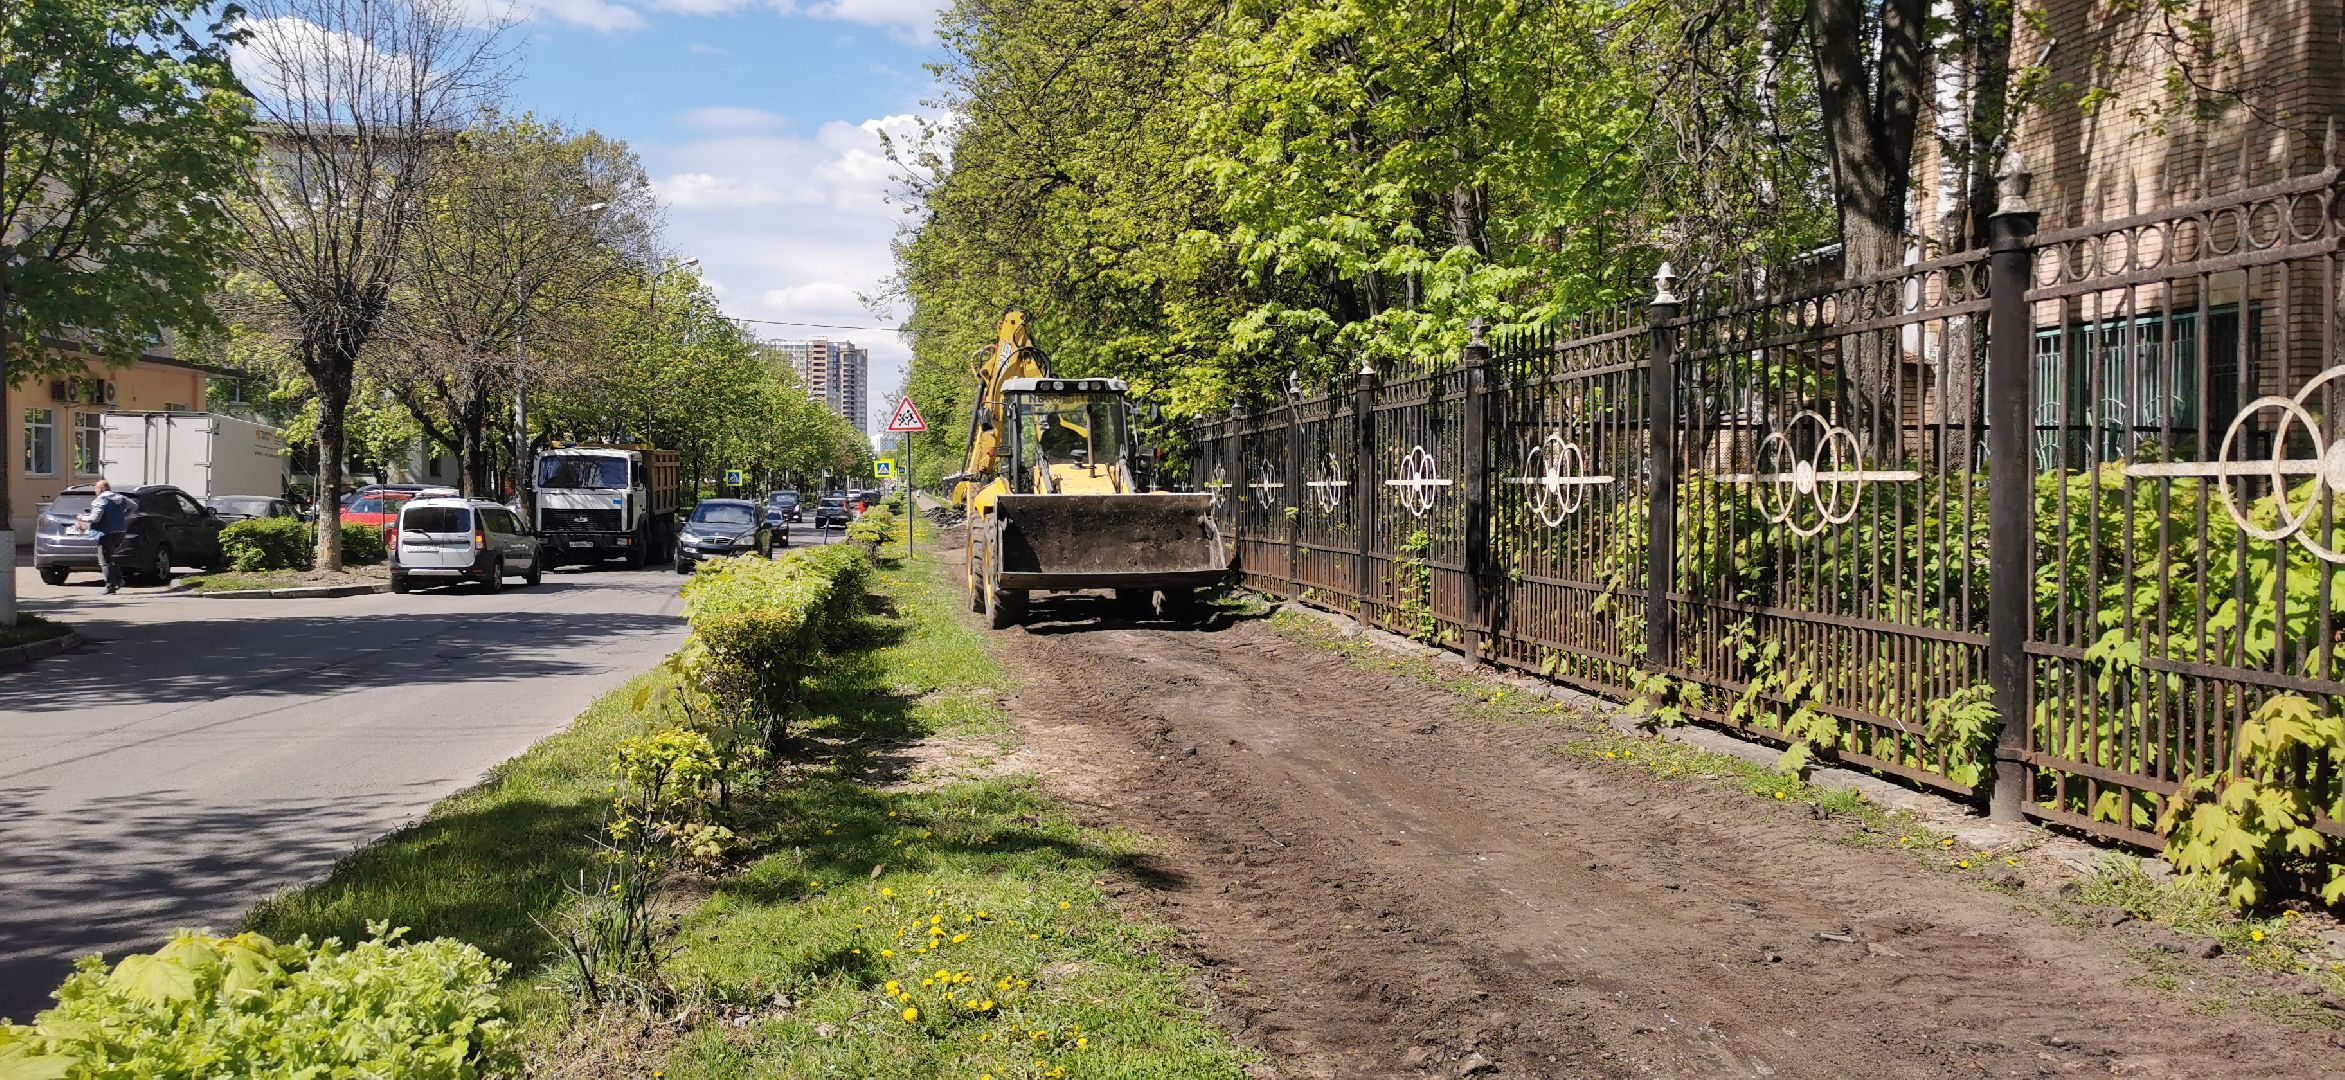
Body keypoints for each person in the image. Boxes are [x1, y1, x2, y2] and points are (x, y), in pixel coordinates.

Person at [78, 479, 135, 594]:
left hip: (105, 532)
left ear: (101, 489)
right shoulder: (120, 498)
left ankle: (110, 586)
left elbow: (95, 518)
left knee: (104, 560)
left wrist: (82, 518)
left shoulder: (100, 501)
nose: (95, 491)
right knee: (109, 556)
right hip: (119, 531)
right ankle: (119, 580)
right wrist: (123, 516)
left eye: (96, 488)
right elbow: (134, 506)